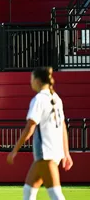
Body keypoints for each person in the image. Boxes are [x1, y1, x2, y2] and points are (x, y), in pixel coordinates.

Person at [7, 67, 73, 200]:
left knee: (55, 194)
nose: (30, 82)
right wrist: (66, 153)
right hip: (53, 152)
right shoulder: (56, 98)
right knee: (28, 191)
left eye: (31, 79)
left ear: (37, 81)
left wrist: (14, 150)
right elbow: (63, 127)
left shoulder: (39, 99)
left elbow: (29, 128)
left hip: (45, 152)